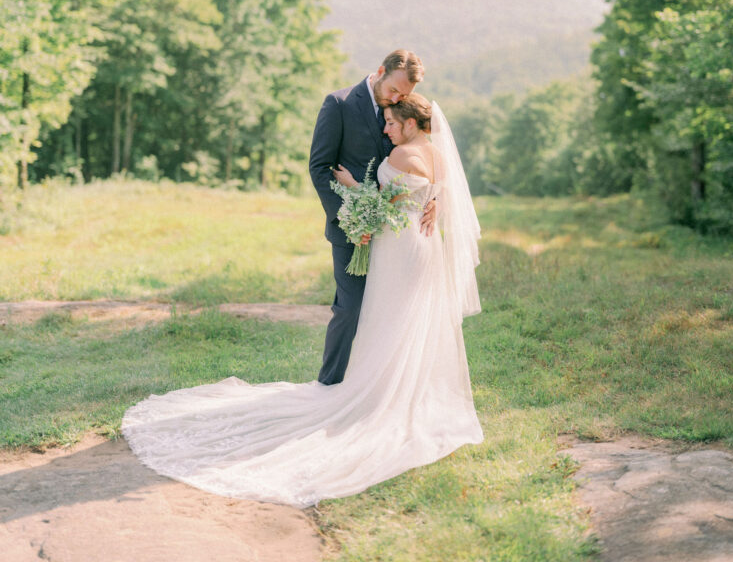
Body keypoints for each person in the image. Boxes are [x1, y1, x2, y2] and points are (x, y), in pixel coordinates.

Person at [122, 94, 483, 508]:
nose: (385, 129)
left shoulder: (403, 156)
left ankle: (377, 396)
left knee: (389, 321)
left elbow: (383, 208)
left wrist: (351, 187)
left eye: (390, 123)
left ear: (410, 124)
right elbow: (442, 196)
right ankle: (405, 390)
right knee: (407, 324)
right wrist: (432, 201)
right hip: (421, 248)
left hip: (400, 249)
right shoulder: (436, 154)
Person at [308, 49, 435, 385]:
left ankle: (376, 388)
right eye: (393, 90)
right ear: (380, 71)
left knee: (389, 312)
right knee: (349, 310)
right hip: (353, 229)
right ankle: (329, 385)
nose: (396, 98)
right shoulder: (338, 104)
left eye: (403, 95)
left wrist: (435, 197)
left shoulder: (403, 110)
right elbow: (320, 168)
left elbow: (427, 156)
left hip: (397, 236)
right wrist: (350, 217)